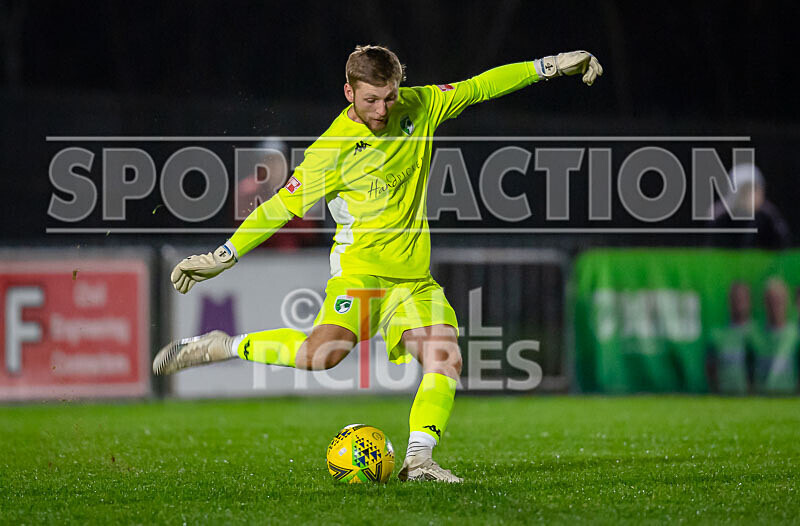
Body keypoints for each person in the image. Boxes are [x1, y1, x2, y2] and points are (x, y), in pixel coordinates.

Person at [153, 45, 603, 482]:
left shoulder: (421, 104)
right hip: (360, 272)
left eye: (389, 97)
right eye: (371, 99)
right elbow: (278, 209)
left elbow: (481, 86)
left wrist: (550, 66)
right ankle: (221, 345)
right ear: (348, 93)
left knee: (444, 356)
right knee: (322, 355)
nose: (383, 109)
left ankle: (419, 461)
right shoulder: (331, 150)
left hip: (413, 279)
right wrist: (224, 254)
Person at [707, 282, 755, 394]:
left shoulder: (758, 334)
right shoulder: (717, 335)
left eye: (742, 299)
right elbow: (710, 369)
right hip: (724, 398)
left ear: (749, 301)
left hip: (752, 399)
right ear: (729, 301)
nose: (739, 303)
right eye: (735, 299)